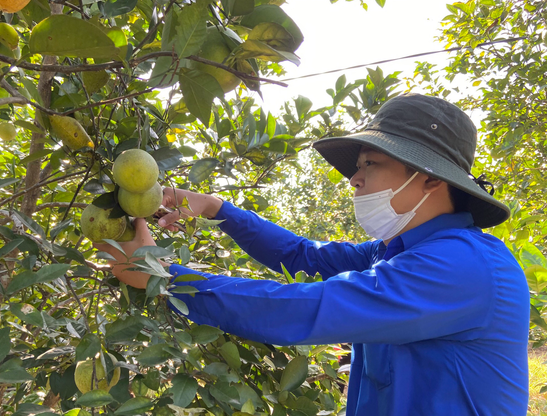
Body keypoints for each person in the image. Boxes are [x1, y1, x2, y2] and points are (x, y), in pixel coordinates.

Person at [98, 93, 530, 416]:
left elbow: (310, 308)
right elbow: (305, 255)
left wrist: (169, 279)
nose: (354, 180)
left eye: (370, 164)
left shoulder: (466, 266)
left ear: (430, 180)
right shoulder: (396, 254)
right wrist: (215, 208)